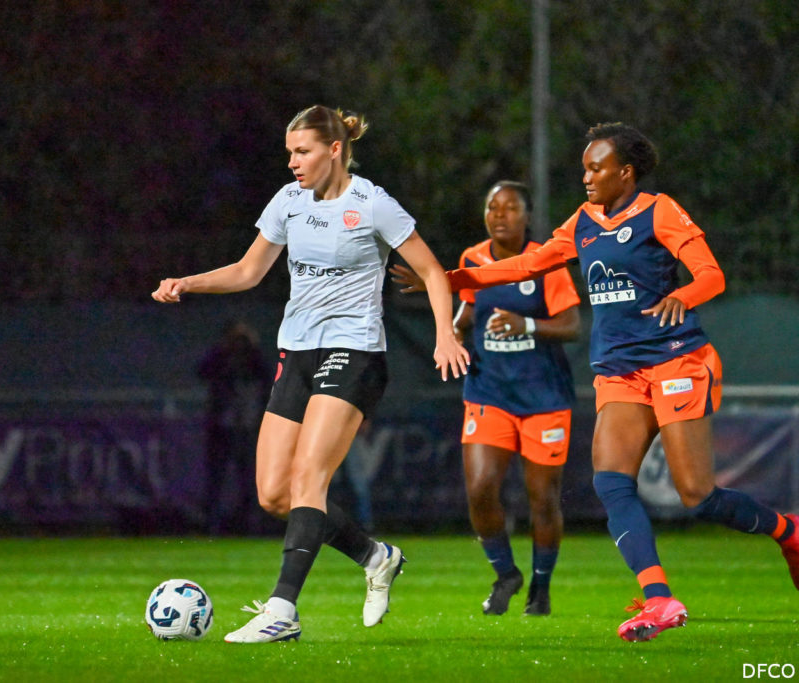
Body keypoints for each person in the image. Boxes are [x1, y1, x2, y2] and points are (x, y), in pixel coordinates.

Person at [438, 122, 799, 642]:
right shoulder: (583, 221)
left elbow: (712, 275)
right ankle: (659, 600)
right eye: (584, 168)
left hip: (674, 361)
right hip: (619, 371)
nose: (586, 177)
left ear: (625, 173)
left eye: (596, 168)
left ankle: (787, 531)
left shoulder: (659, 210)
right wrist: (449, 280)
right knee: (610, 482)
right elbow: (529, 264)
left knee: (697, 495)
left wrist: (683, 296)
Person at [152, 105, 469, 643]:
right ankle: (376, 557)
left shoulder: (372, 203)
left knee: (308, 479)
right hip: (296, 354)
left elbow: (433, 271)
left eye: (302, 152)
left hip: (355, 352)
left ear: (335, 149)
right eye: (289, 153)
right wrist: (188, 282)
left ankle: (282, 610)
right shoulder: (288, 202)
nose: (293, 162)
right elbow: (248, 271)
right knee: (275, 494)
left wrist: (445, 332)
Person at [391, 181, 581, 617]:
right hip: (488, 391)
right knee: (479, 489)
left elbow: (572, 325)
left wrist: (525, 325)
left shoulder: (545, 262)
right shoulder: (473, 259)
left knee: (542, 499)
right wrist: (454, 333)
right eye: (493, 207)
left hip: (543, 397)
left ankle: (541, 587)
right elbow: (470, 307)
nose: (499, 215)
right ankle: (506, 574)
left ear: (527, 216)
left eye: (510, 208)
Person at [197, 320, 269, 535]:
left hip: (246, 425)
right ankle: (212, 524)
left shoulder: (252, 360)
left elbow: (267, 375)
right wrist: (223, 349)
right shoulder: (221, 358)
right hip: (222, 426)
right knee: (216, 479)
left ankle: (249, 524)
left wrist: (253, 347)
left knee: (248, 478)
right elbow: (202, 371)